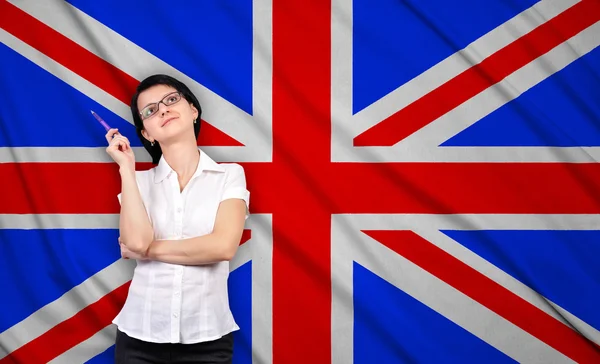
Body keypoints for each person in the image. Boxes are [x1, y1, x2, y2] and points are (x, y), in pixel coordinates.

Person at [104, 74, 249, 363]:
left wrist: (146, 250)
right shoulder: (138, 183)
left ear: (193, 110)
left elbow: (222, 248)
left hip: (208, 337)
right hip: (139, 335)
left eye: (171, 100)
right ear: (146, 133)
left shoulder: (229, 175)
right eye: (150, 110)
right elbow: (135, 240)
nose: (163, 110)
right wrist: (126, 169)